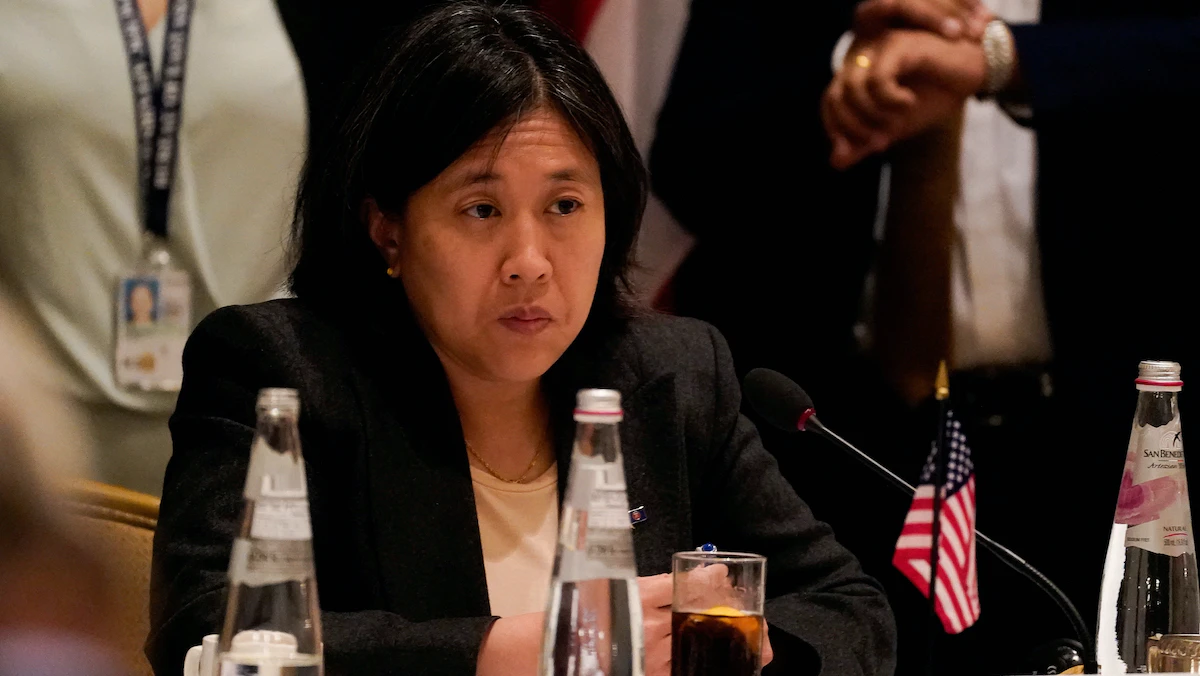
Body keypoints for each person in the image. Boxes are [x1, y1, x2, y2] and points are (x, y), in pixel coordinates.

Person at [147, 3, 898, 675]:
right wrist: (503, 653)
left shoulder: (673, 375)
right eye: (481, 210)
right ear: (388, 231)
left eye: (565, 205)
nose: (530, 263)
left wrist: (735, 645)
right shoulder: (278, 373)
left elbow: (847, 609)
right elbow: (206, 627)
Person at [822, 0, 1200, 672]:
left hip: (1109, 436)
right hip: (852, 440)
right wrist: (852, 77)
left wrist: (1001, 60)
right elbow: (692, 151)